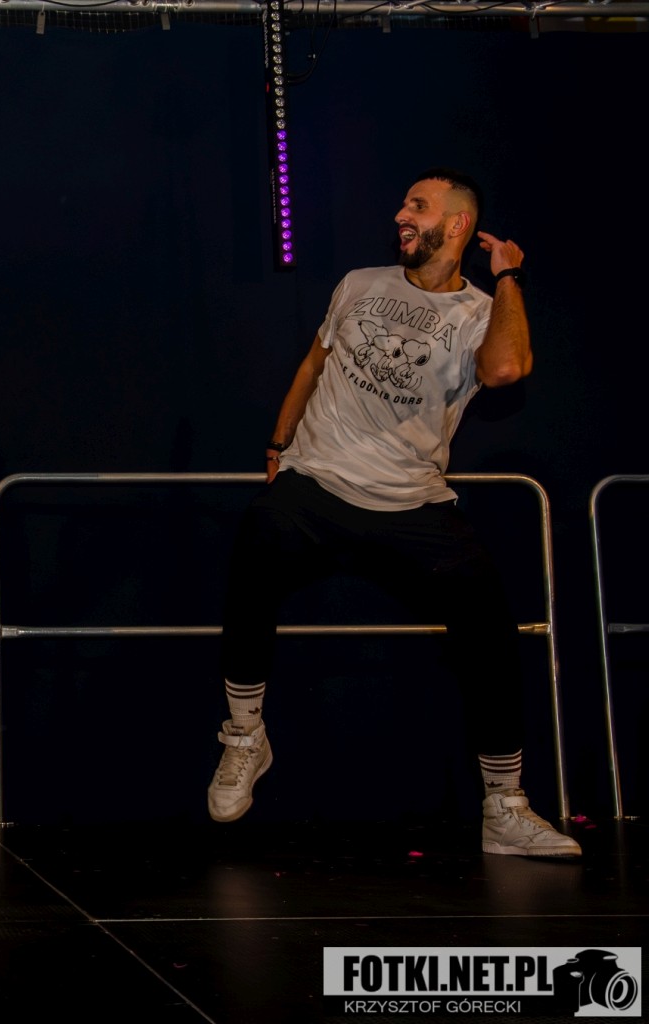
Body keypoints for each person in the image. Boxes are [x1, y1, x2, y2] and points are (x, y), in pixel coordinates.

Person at [205, 168, 580, 857]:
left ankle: (505, 805)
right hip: (320, 481)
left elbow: (504, 371)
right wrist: (279, 443)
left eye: (419, 206)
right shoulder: (359, 284)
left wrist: (507, 277)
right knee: (258, 539)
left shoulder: (480, 312)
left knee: (489, 625)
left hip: (411, 499)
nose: (401, 215)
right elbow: (313, 365)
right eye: (404, 203)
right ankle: (245, 735)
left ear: (458, 225)